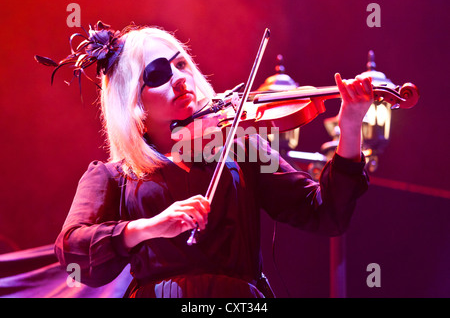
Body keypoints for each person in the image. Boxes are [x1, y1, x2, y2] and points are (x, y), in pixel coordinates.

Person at [48, 22, 371, 298]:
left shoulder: (241, 147)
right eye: (158, 74)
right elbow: (72, 249)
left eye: (181, 64)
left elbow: (327, 214)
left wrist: (350, 127)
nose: (178, 78)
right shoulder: (115, 175)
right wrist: (147, 228)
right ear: (132, 99)